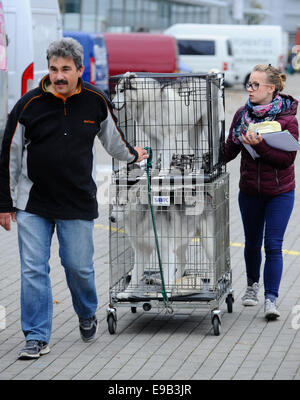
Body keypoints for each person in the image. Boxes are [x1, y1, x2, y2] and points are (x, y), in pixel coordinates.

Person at [0, 37, 148, 359]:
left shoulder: (95, 100)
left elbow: (114, 142)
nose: (58, 76)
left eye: (66, 69)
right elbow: (9, 156)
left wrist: (134, 155)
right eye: (53, 69)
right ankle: (36, 336)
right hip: (32, 203)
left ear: (80, 70)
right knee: (32, 269)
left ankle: (86, 312)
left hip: (77, 201)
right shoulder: (28, 105)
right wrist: (4, 203)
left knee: (78, 267)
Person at [225, 64, 298, 321]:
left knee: (273, 245)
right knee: (252, 243)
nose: (250, 89)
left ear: (271, 88)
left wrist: (262, 147)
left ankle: (271, 299)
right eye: (249, 84)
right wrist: (209, 157)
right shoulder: (241, 115)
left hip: (280, 192)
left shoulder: (287, 119)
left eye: (256, 85)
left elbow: (287, 159)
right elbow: (229, 151)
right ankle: (252, 286)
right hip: (249, 191)